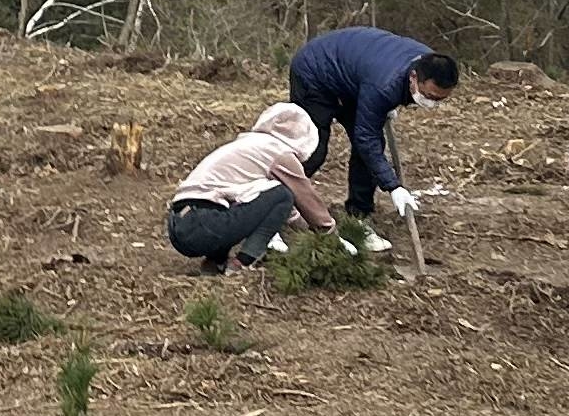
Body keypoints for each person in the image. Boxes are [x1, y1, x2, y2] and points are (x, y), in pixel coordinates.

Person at [284, 25, 461, 229]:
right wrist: (393, 186)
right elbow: (367, 138)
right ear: (413, 77)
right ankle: (270, 204)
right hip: (316, 72)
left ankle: (358, 219)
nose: (432, 103)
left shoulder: (430, 64)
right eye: (429, 96)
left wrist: (387, 104)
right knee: (312, 150)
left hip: (355, 80)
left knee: (367, 154)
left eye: (440, 100)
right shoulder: (385, 85)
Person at [168, 101, 338, 271]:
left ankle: (215, 264)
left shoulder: (248, 146)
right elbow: (304, 197)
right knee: (283, 195)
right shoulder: (279, 152)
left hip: (178, 224)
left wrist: (306, 230)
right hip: (204, 223)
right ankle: (242, 263)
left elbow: (284, 212)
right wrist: (329, 233)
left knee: (243, 202)